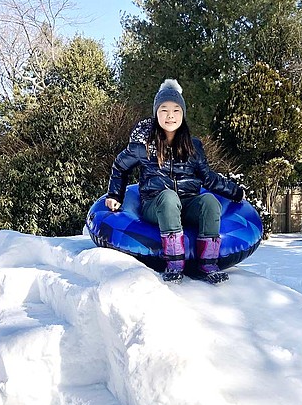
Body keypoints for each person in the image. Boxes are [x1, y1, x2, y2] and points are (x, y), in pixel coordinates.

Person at [105, 79, 245, 284]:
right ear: (156, 113)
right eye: (164, 110)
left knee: (208, 201)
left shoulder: (193, 146)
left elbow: (208, 177)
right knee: (169, 197)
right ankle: (174, 262)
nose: (170, 115)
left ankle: (208, 263)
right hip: (156, 204)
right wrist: (114, 195)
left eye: (176, 110)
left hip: (187, 203)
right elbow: (120, 166)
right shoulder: (143, 145)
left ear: (183, 114)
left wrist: (235, 192)